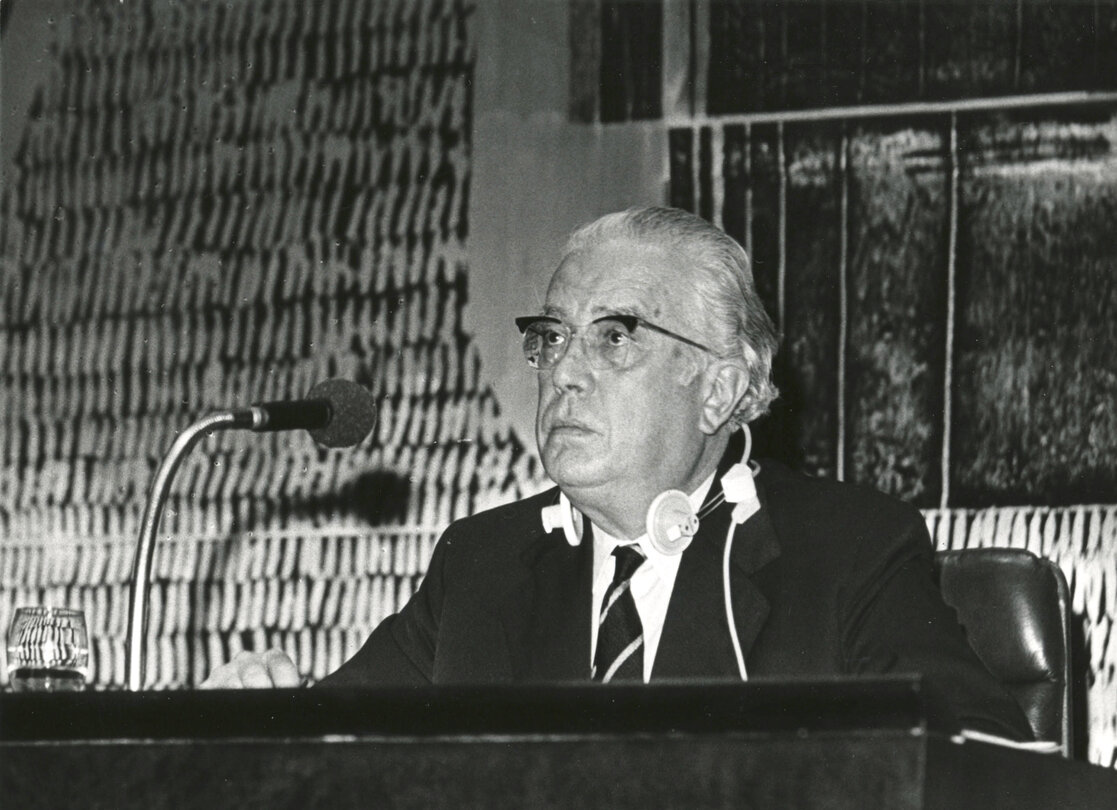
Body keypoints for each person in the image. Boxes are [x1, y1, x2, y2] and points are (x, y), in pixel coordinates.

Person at [202, 206, 1032, 740]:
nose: (561, 371)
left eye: (615, 336)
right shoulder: (483, 565)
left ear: (720, 389)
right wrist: (261, 715)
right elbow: (334, 752)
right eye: (552, 337)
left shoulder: (846, 549)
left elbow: (989, 764)